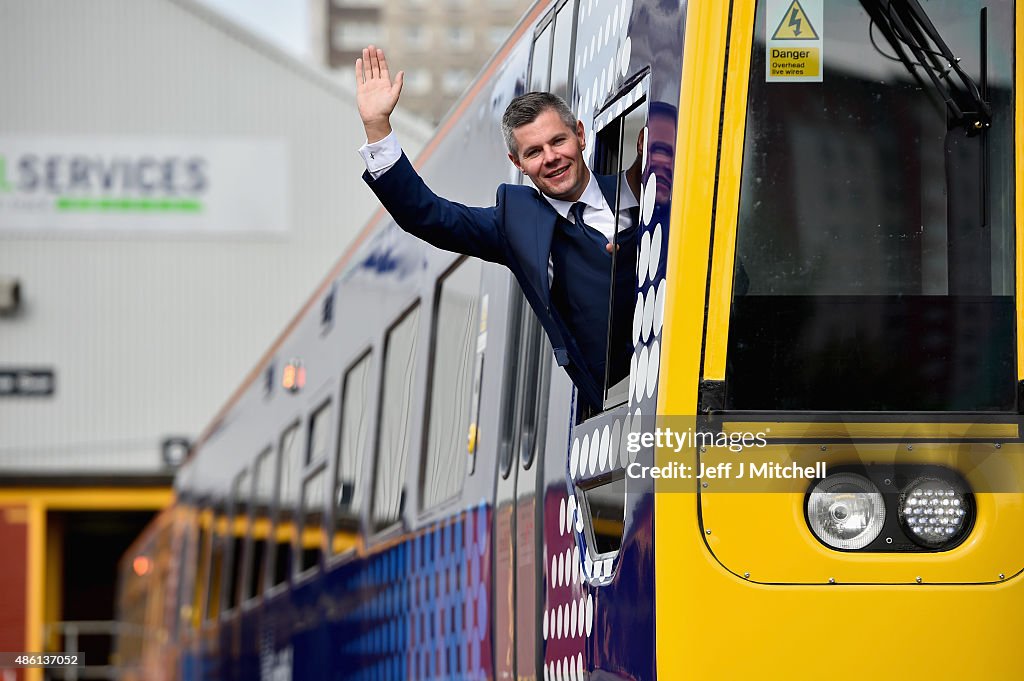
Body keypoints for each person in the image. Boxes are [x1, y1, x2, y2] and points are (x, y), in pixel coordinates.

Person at [355, 45, 641, 412]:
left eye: (558, 141)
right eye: (534, 152)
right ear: (517, 163)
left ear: (580, 136)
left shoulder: (639, 187)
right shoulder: (515, 223)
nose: (551, 158)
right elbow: (426, 215)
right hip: (620, 408)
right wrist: (378, 128)